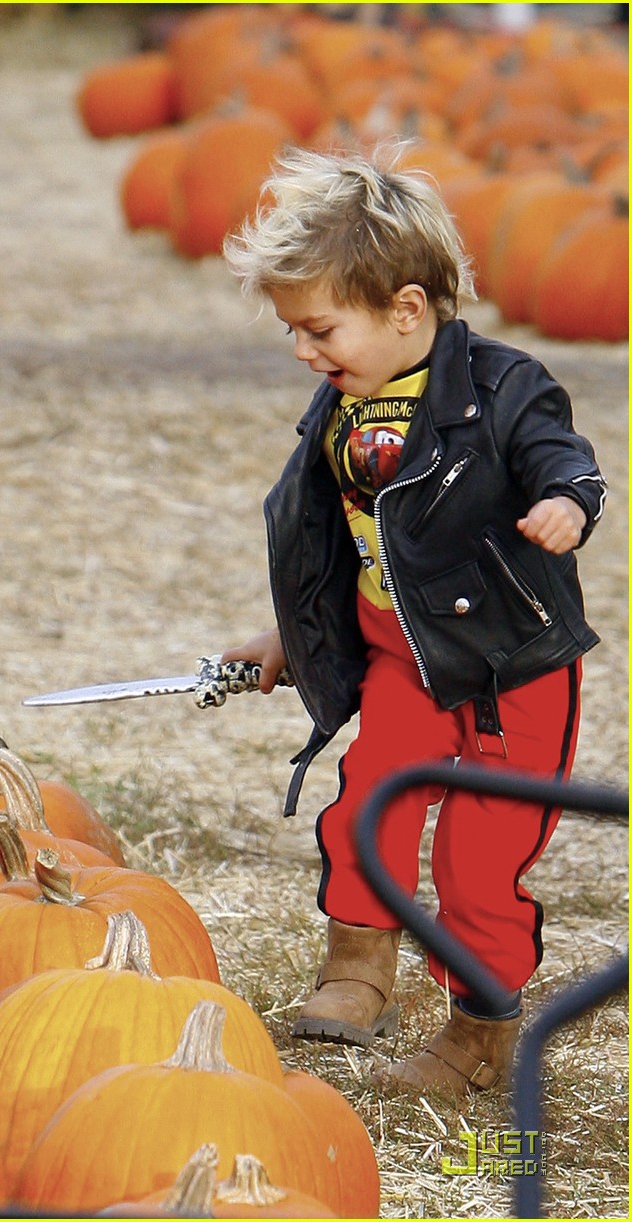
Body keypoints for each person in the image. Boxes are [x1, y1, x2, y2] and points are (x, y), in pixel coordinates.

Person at [220, 144, 606, 1097]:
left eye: (319, 329)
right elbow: (339, 543)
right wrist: (291, 636)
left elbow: (567, 459)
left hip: (508, 670)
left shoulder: (504, 388)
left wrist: (567, 504)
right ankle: (358, 967)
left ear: (403, 310)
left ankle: (479, 1032)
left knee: (479, 859)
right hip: (403, 662)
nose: (305, 352)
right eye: (293, 333)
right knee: (366, 804)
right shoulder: (340, 407)